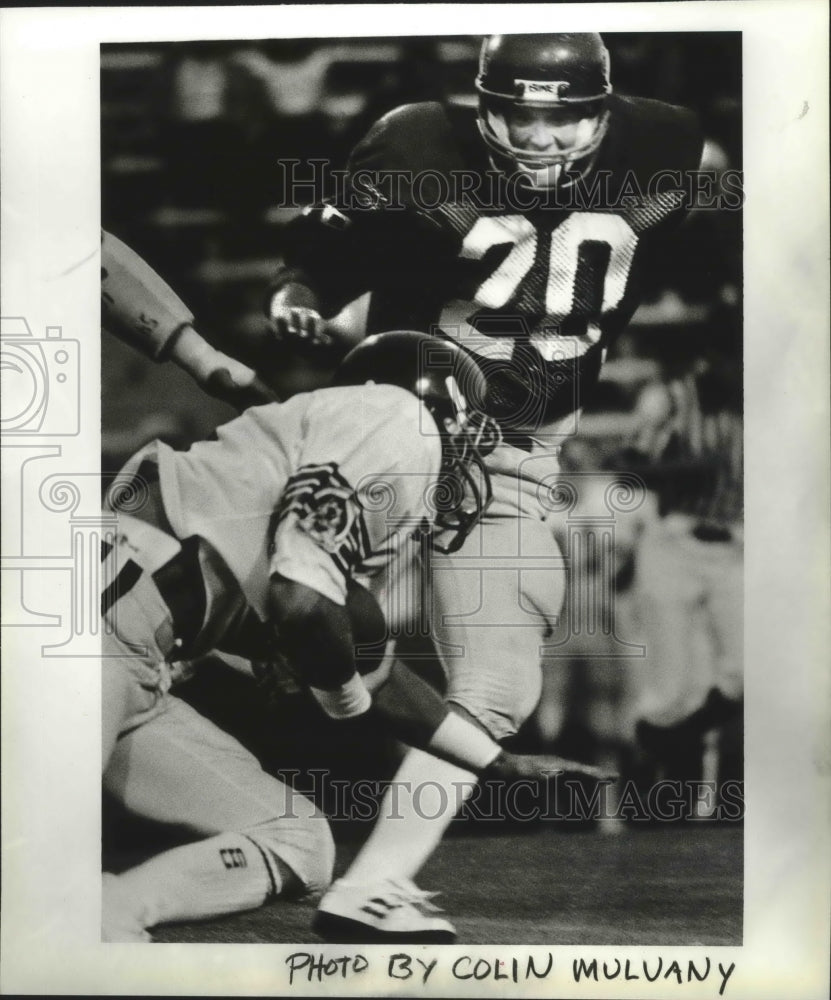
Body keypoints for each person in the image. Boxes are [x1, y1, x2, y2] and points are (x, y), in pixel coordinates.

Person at [263, 33, 706, 941]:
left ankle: (367, 887)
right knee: (265, 612)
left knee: (501, 686)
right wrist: (300, 290)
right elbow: (327, 248)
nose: (543, 139)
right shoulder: (416, 145)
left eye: (567, 116)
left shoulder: (661, 143)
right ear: (480, 107)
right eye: (521, 115)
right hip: (394, 432)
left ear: (604, 112)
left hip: (514, 453)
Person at [102, 330, 602, 942]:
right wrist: (343, 699)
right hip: (82, 626)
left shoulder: (346, 446)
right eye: (471, 431)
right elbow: (303, 604)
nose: (475, 454)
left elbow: (374, 664)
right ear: (440, 404)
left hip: (136, 661)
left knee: (297, 840)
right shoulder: (397, 419)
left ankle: (111, 910)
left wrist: (499, 764)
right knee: (32, 860)